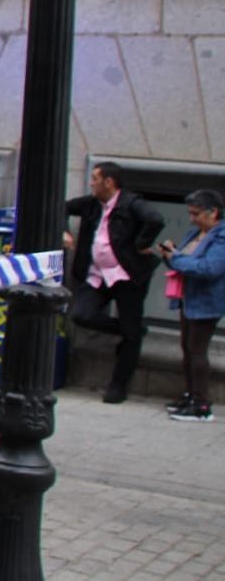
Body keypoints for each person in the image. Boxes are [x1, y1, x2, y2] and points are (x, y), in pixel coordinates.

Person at [64, 160, 165, 403]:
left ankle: (118, 386)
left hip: (127, 276)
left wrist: (141, 244)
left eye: (95, 179)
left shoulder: (131, 204)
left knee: (130, 337)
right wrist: (64, 231)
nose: (91, 184)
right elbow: (61, 206)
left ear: (109, 182)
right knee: (81, 315)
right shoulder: (91, 204)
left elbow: (155, 219)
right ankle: (133, 329)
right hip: (97, 275)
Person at [156, 189, 225, 423]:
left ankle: (201, 404)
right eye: (190, 213)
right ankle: (190, 395)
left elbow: (208, 268)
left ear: (213, 212)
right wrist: (171, 254)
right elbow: (186, 262)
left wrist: (175, 257)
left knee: (197, 351)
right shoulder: (197, 232)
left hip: (207, 301)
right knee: (187, 348)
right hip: (188, 297)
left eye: (196, 214)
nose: (192, 219)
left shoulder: (221, 237)